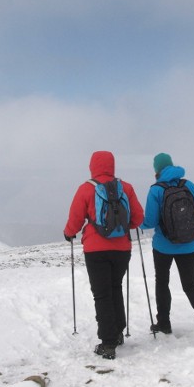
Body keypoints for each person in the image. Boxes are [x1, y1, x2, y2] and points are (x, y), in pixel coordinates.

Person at [64, 151, 144, 359]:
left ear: (92, 166)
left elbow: (75, 218)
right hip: (122, 249)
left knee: (102, 294)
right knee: (115, 287)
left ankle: (108, 343)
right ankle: (118, 332)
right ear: (112, 165)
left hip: (95, 249)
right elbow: (137, 218)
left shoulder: (86, 189)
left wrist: (69, 233)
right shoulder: (125, 187)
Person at [141, 152, 194, 344]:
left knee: (162, 283)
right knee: (190, 285)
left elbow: (149, 221)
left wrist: (138, 224)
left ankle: (164, 323)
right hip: (189, 245)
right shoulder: (188, 185)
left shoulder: (156, 190)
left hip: (163, 247)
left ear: (156, 170)